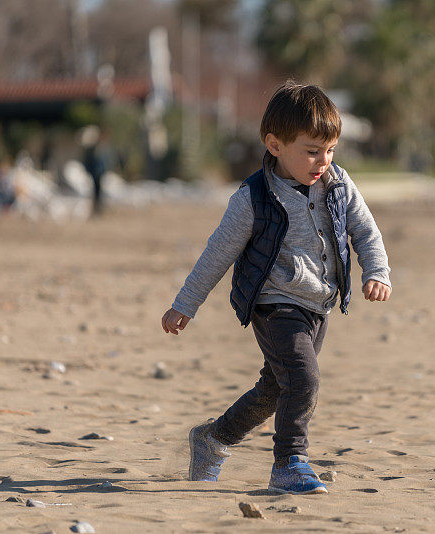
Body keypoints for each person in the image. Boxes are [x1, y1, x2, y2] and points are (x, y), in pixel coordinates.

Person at [161, 82, 392, 494]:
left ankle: (213, 439)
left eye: (330, 150)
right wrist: (186, 304)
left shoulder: (338, 185)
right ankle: (290, 463)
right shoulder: (253, 198)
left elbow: (366, 231)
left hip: (317, 304)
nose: (323, 161)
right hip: (275, 304)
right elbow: (217, 254)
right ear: (275, 144)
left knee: (275, 387)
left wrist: (377, 271)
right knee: (303, 379)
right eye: (311, 151)